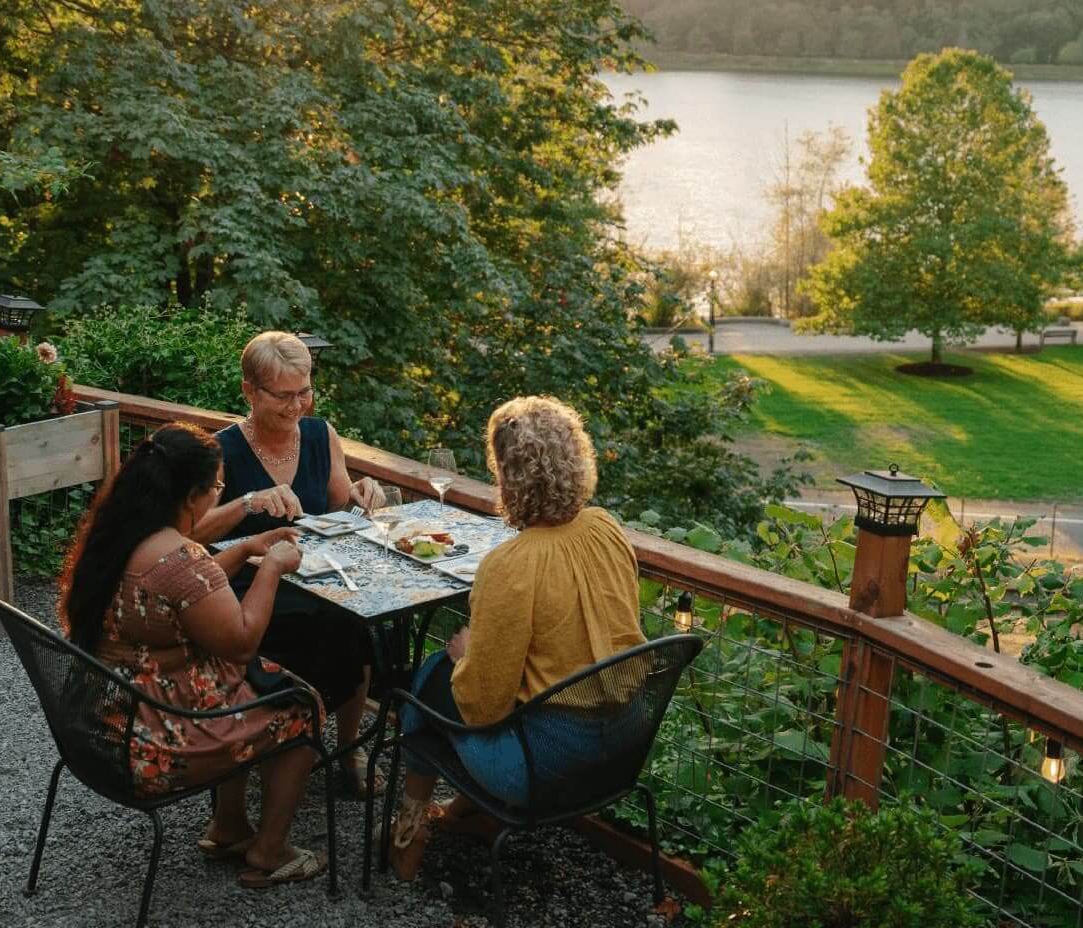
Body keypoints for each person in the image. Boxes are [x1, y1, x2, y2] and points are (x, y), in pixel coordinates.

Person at [58, 422, 328, 888]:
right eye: (217, 488)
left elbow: (185, 592)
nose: (217, 496)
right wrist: (274, 570)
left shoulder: (117, 536)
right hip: (152, 740)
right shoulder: (181, 558)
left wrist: (243, 550)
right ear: (191, 496)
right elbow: (241, 639)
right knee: (300, 705)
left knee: (246, 681)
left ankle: (228, 827)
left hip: (100, 717)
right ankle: (269, 850)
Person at [387, 395, 647, 879]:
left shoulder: (511, 566)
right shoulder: (607, 528)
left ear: (506, 475)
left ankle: (410, 836)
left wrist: (465, 658)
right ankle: (466, 811)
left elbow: (483, 706)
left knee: (425, 687)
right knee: (443, 681)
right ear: (576, 459)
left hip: (544, 769)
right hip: (626, 746)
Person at [190, 331, 387, 795]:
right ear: (249, 392)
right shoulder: (220, 450)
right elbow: (192, 536)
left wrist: (362, 496)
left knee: (360, 625)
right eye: (283, 395)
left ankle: (349, 749)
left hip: (314, 580)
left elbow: (342, 510)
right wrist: (249, 502)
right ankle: (279, 742)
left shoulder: (322, 436)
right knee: (315, 634)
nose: (298, 405)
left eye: (305, 391)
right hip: (244, 590)